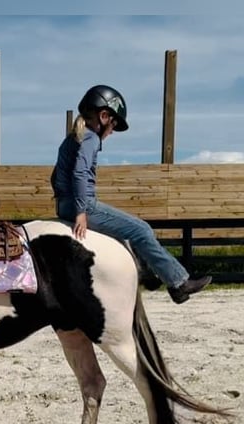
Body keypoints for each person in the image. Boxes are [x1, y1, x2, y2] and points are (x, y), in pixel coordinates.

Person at [51, 84, 211, 304]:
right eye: (114, 124)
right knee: (141, 229)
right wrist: (81, 211)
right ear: (104, 116)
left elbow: (56, 177)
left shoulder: (73, 138)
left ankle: (146, 273)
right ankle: (179, 283)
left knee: (125, 231)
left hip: (64, 203)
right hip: (82, 204)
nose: (113, 131)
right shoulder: (91, 138)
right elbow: (80, 172)